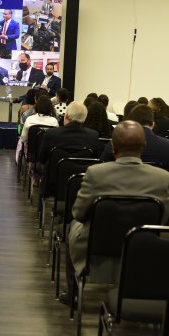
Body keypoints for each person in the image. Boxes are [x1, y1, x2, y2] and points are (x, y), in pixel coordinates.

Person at [62, 121, 169, 305]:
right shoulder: (163, 178)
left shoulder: (96, 173)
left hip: (96, 247)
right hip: (144, 250)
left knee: (73, 225)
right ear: (143, 146)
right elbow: (163, 220)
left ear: (113, 146)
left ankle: (73, 293)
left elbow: (79, 213)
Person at [100, 104, 169, 169]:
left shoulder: (116, 143)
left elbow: (103, 164)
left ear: (131, 122)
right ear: (152, 124)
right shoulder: (166, 145)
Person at [39, 101, 101, 165]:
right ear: (84, 117)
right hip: (82, 174)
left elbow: (42, 160)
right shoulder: (93, 136)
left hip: (54, 173)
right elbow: (95, 161)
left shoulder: (51, 133)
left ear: (67, 115)